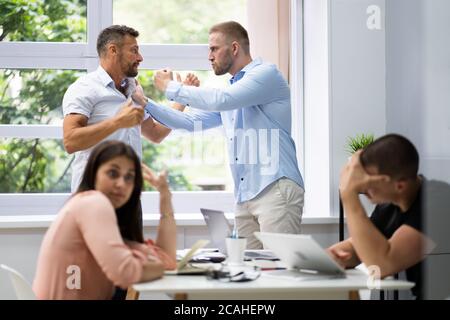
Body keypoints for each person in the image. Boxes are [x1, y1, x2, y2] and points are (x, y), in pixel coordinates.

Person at [132, 21, 304, 249]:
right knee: (245, 272)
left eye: (214, 49)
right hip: (245, 198)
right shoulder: (234, 91)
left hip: (276, 190)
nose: (209, 56)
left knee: (280, 271)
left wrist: (171, 87)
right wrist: (146, 103)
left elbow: (221, 100)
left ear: (234, 48)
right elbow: (189, 122)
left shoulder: (266, 74)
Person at [62, 24, 199, 192]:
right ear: (113, 50)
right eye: (134, 50)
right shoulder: (85, 88)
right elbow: (70, 141)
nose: (140, 58)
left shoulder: (133, 91)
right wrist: (117, 122)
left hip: (129, 197)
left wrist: (182, 98)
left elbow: (156, 133)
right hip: (94, 196)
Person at [32, 140, 177, 299]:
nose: (122, 184)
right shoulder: (93, 203)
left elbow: (168, 261)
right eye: (113, 173)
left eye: (129, 177)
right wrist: (156, 266)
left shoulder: (101, 212)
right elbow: (125, 273)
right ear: (94, 173)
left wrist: (165, 196)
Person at [327, 134, 435, 299]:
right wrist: (330, 255)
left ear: (399, 185)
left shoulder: (436, 204)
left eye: (370, 181)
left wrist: (349, 195)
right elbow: (359, 246)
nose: (364, 186)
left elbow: (381, 265)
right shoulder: (389, 206)